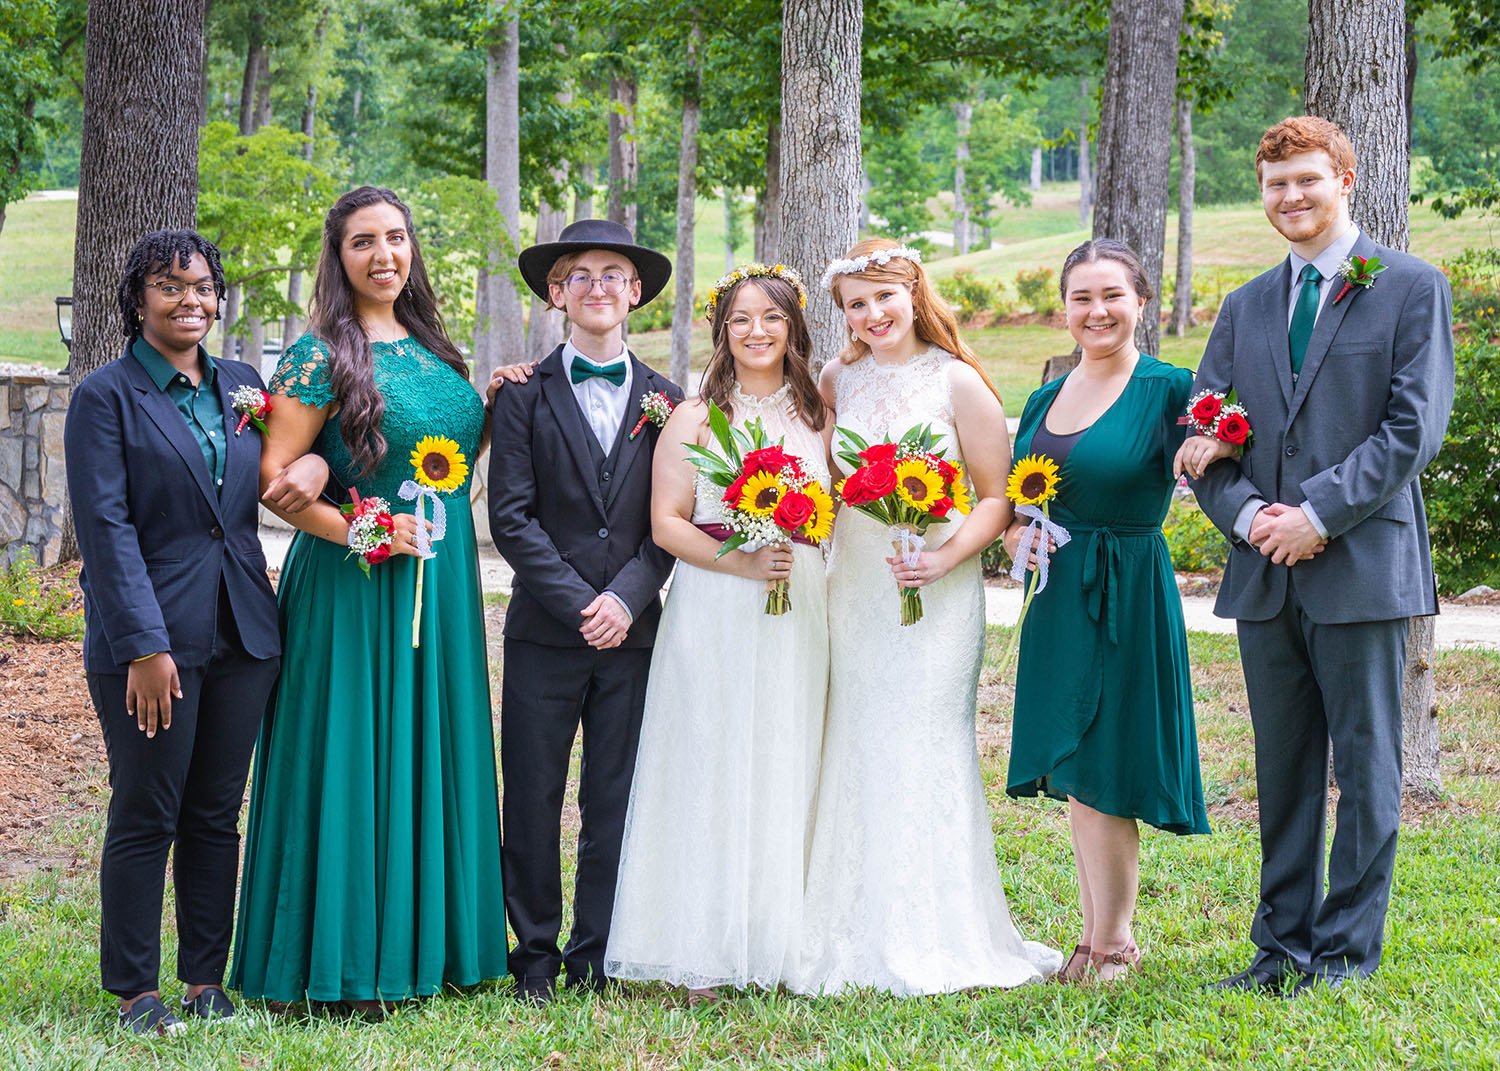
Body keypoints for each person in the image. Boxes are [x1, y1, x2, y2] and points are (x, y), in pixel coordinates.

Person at [1189, 116, 1454, 995]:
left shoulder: (1410, 288)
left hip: (1363, 567)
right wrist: (1252, 515)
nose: (1291, 197)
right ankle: (1280, 950)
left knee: (1370, 767)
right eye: (1275, 184)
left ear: (1346, 178)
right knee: (1284, 769)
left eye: (1307, 179)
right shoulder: (1246, 306)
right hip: (1266, 571)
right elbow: (1203, 435)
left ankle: (1343, 954)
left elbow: (1412, 430)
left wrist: (1317, 513)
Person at [229, 186, 506, 1012]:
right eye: (363, 242)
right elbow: (276, 481)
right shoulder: (318, 354)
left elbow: (441, 451)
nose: (384, 255)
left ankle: (437, 944)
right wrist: (363, 531)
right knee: (350, 753)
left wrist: (497, 399)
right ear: (338, 256)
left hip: (442, 583)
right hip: (354, 584)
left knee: (432, 748)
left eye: (395, 238)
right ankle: (344, 956)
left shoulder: (433, 348)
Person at [791, 238, 1060, 996]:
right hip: (859, 585)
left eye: (884, 296)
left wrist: (943, 561)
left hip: (936, 589)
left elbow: (996, 494)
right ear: (842, 314)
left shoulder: (959, 382)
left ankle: (933, 930)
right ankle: (849, 923)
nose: (873, 314)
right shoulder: (838, 376)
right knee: (857, 737)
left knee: (920, 742)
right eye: (856, 303)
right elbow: (824, 468)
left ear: (914, 292)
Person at [65, 229, 309, 1034]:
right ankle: (137, 988)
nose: (191, 301)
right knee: (147, 808)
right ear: (139, 300)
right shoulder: (105, 397)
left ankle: (206, 977)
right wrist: (142, 644)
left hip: (245, 631)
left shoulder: (242, 384)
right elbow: (105, 526)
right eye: (171, 287)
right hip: (150, 643)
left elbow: (294, 460)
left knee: (214, 812)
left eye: (203, 287)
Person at [604, 265, 830, 1004]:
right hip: (713, 606)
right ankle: (701, 942)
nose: (757, 331)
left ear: (793, 326)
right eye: (741, 319)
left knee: (785, 751)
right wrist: (740, 560)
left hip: (798, 610)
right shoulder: (694, 416)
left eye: (771, 317)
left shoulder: (819, 416)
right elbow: (667, 521)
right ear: (721, 332)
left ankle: (775, 933)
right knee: (710, 756)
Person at [1004, 239, 1215, 984]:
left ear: (1142, 301)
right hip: (1059, 591)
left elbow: (1222, 450)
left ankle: (1114, 944)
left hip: (1126, 584)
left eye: (1111, 296)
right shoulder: (1042, 395)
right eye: (1082, 298)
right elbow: (1017, 495)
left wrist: (1213, 446)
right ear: (1065, 309)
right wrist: (1013, 534)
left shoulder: (1172, 390)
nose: (1096, 311)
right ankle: (1093, 937)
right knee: (1073, 761)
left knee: (1106, 762)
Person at [488, 218, 682, 1006]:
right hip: (545, 630)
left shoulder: (672, 401)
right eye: (580, 275)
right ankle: (533, 950)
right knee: (531, 792)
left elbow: (673, 520)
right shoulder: (522, 394)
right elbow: (511, 517)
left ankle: (595, 948)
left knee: (614, 793)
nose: (597, 286)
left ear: (635, 293)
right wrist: (582, 604)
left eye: (613, 274)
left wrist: (627, 598)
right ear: (555, 294)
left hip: (635, 636)